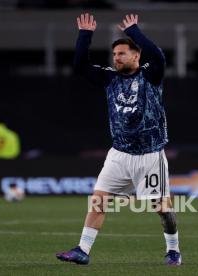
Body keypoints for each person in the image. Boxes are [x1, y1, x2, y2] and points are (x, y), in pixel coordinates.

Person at [56, 13, 181, 266]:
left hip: (150, 155)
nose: (116, 58)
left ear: (136, 56)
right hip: (119, 154)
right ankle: (83, 250)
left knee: (163, 209)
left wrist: (134, 31)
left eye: (122, 54)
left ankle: (173, 250)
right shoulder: (109, 78)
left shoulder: (150, 75)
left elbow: (158, 55)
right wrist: (85, 36)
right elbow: (80, 66)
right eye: (114, 55)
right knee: (98, 201)